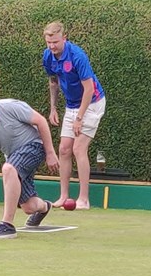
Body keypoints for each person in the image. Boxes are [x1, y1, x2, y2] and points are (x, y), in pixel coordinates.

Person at [0, 88, 59, 239]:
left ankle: (7, 225)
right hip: (14, 157)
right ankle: (44, 207)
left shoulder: (9, 107)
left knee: (8, 168)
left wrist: (50, 152)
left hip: (34, 145)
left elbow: (40, 121)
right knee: (28, 207)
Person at [42, 21, 106, 210]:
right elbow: (53, 82)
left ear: (64, 38)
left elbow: (89, 88)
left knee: (79, 148)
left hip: (92, 102)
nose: (52, 46)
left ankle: (84, 199)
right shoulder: (48, 56)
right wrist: (53, 108)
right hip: (71, 105)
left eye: (55, 42)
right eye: (48, 42)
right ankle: (63, 196)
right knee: (63, 149)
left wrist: (79, 119)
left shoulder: (77, 56)